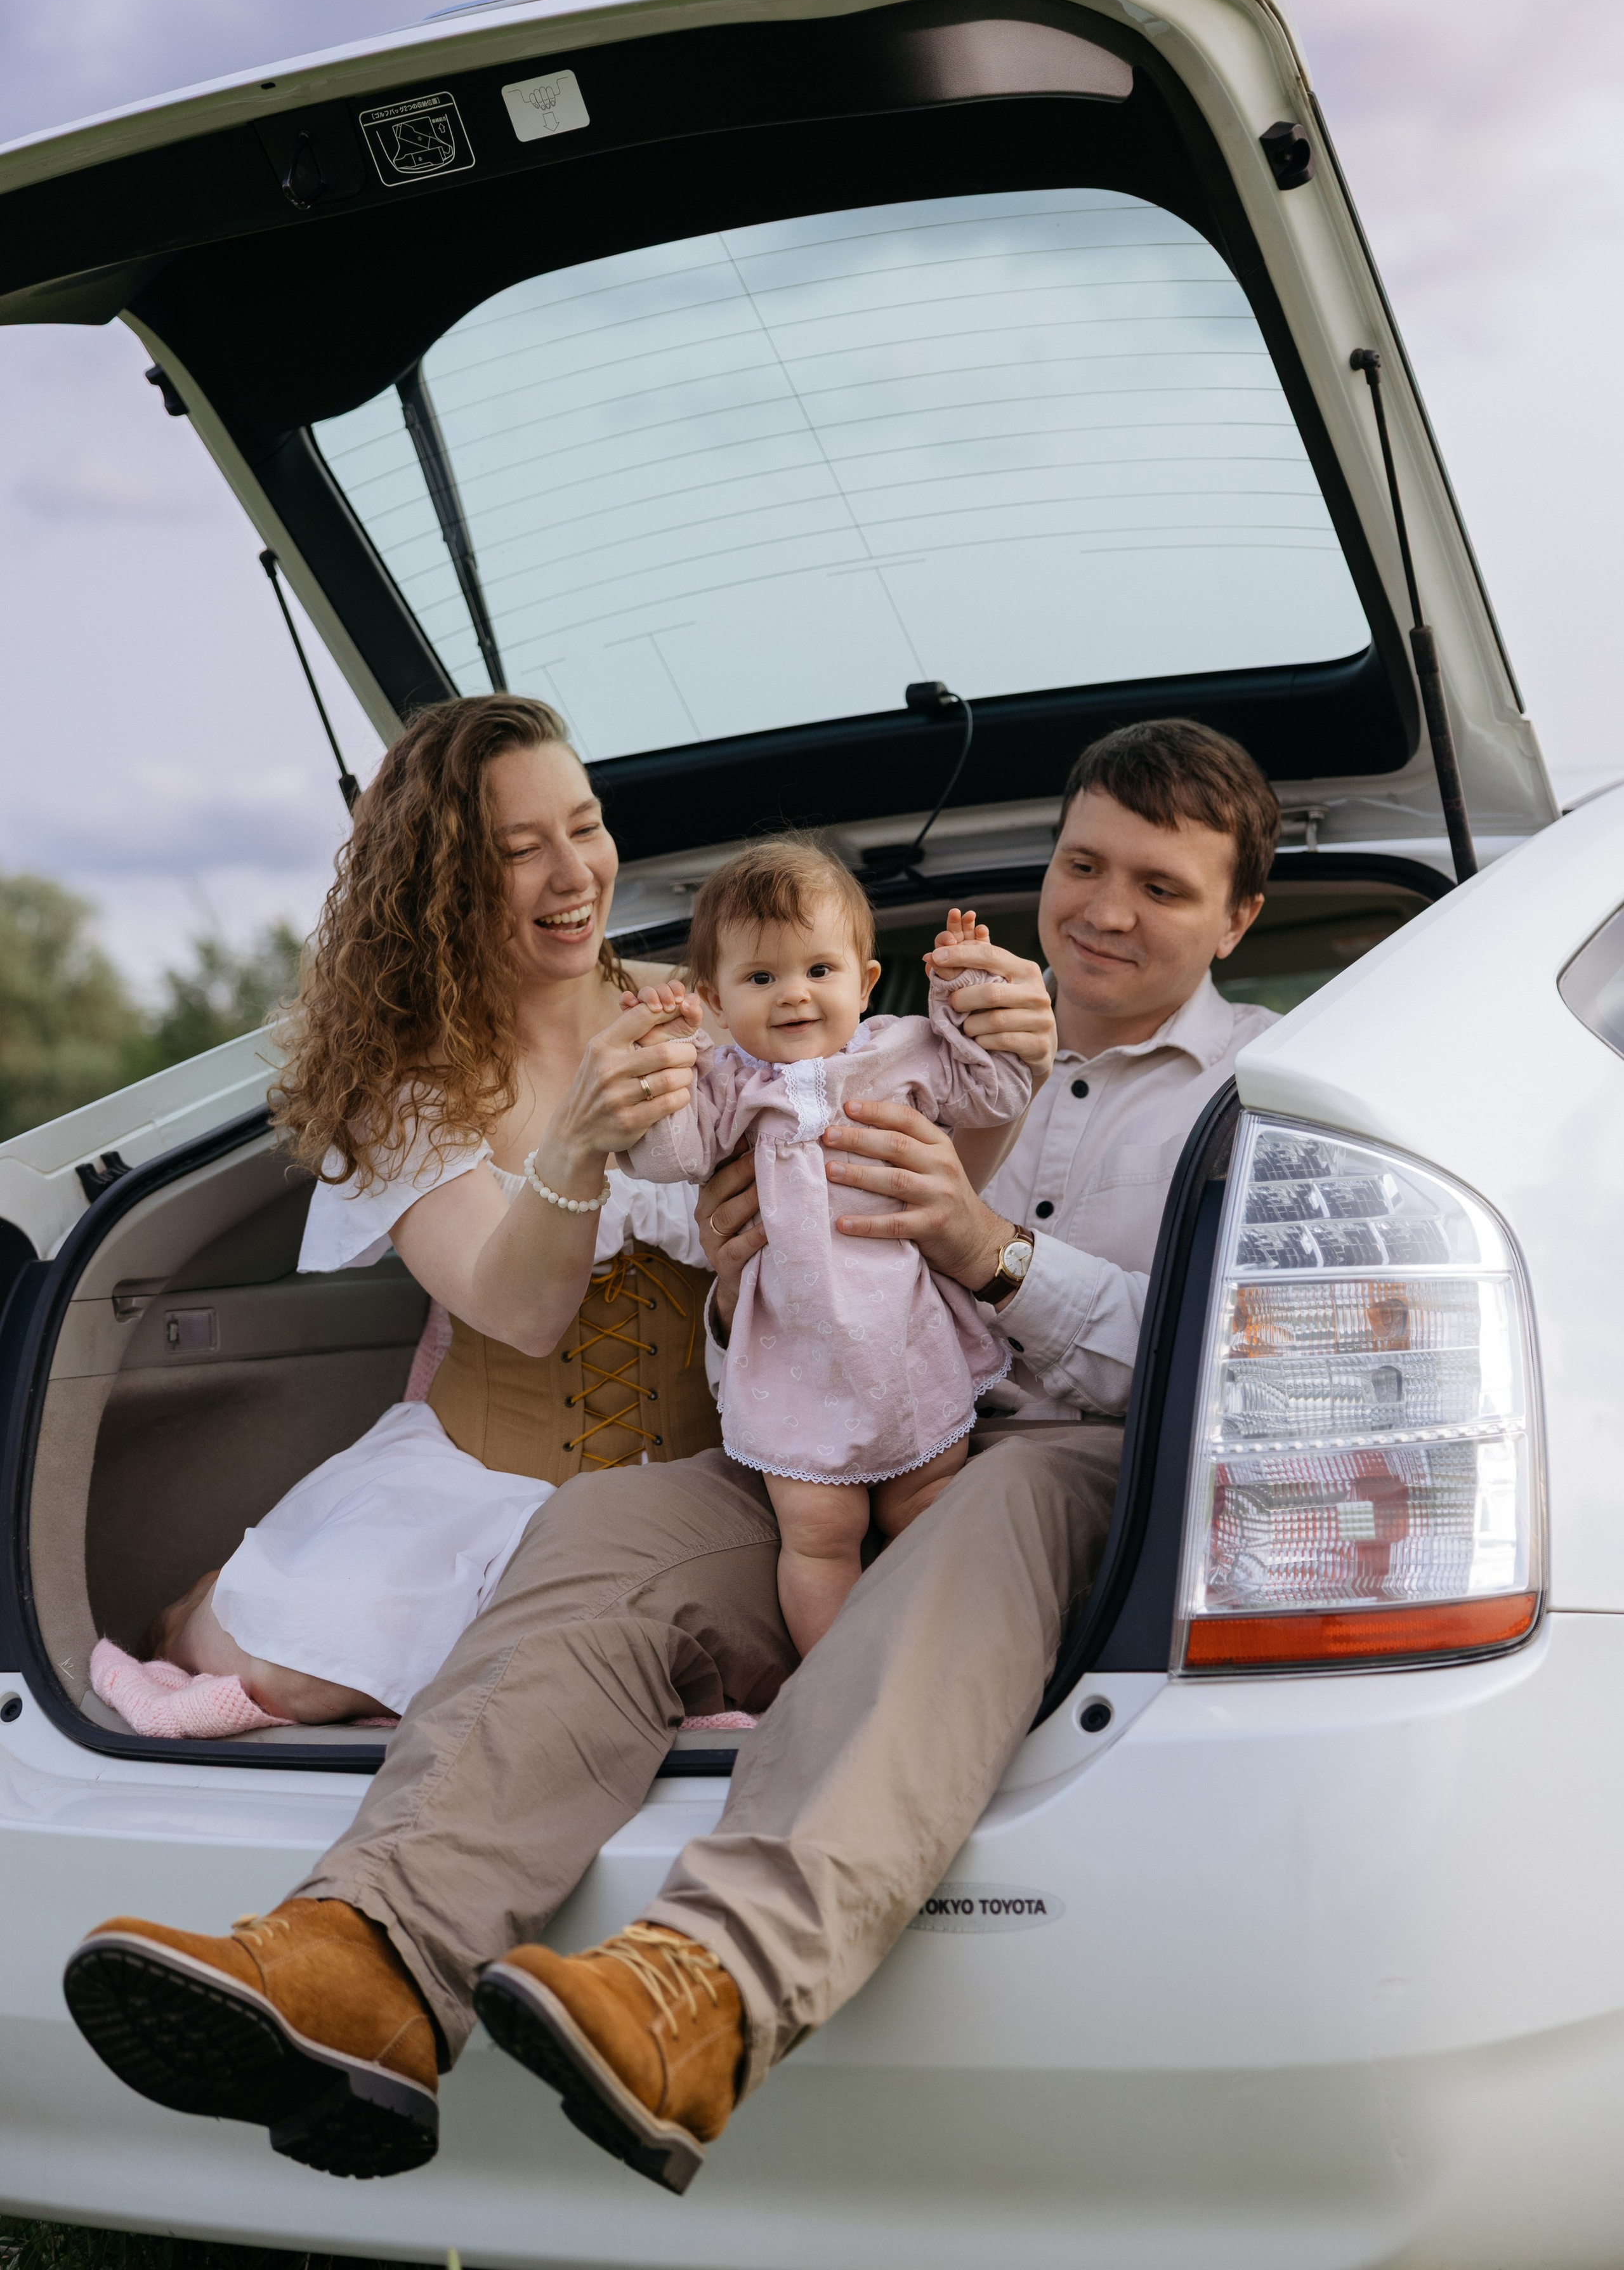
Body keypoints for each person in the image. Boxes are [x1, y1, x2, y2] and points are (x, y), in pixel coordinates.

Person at [63, 716, 1274, 2200]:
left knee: (993, 1508)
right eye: (1081, 863)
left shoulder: (1262, 1090)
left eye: (1158, 885)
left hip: (1069, 1452)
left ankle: (697, 1988)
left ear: (1238, 916)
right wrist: (729, 1272)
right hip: (816, 1450)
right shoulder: (899, 1044)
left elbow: (1238, 1355)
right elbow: (790, 1276)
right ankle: (365, 1953)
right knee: (605, 1528)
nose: (1101, 908)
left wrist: (994, 1249)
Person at [624, 840, 1033, 1651]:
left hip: (904, 1340)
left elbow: (998, 1090)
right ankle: (837, 1675)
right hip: (796, 1357)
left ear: (866, 981)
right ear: (713, 998)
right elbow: (664, 1158)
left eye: (819, 971)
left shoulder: (902, 1050)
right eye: (761, 978)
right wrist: (662, 1058)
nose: (794, 997)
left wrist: (964, 996)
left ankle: (923, 1652)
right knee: (817, 1532)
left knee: (926, 1503)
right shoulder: (725, 1084)